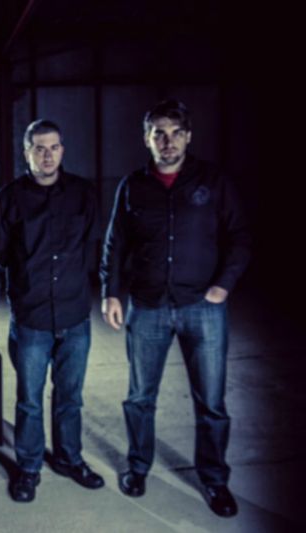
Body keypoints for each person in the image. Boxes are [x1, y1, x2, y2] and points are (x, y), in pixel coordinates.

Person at [100, 99, 251, 517]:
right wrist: (111, 293)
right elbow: (115, 244)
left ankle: (214, 480)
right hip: (147, 307)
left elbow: (239, 236)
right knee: (139, 398)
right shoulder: (133, 186)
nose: (167, 141)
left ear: (188, 136)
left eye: (175, 133)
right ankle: (137, 468)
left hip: (202, 307)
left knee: (211, 402)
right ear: (146, 139)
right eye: (159, 134)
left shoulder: (213, 182)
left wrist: (223, 285)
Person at [0, 119, 104, 503]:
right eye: (39, 148)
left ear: (62, 150)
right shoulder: (9, 199)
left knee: (70, 396)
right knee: (30, 400)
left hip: (75, 316)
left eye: (53, 147)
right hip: (32, 319)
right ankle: (29, 467)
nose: (47, 155)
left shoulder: (83, 194)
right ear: (27, 152)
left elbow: (92, 245)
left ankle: (70, 459)